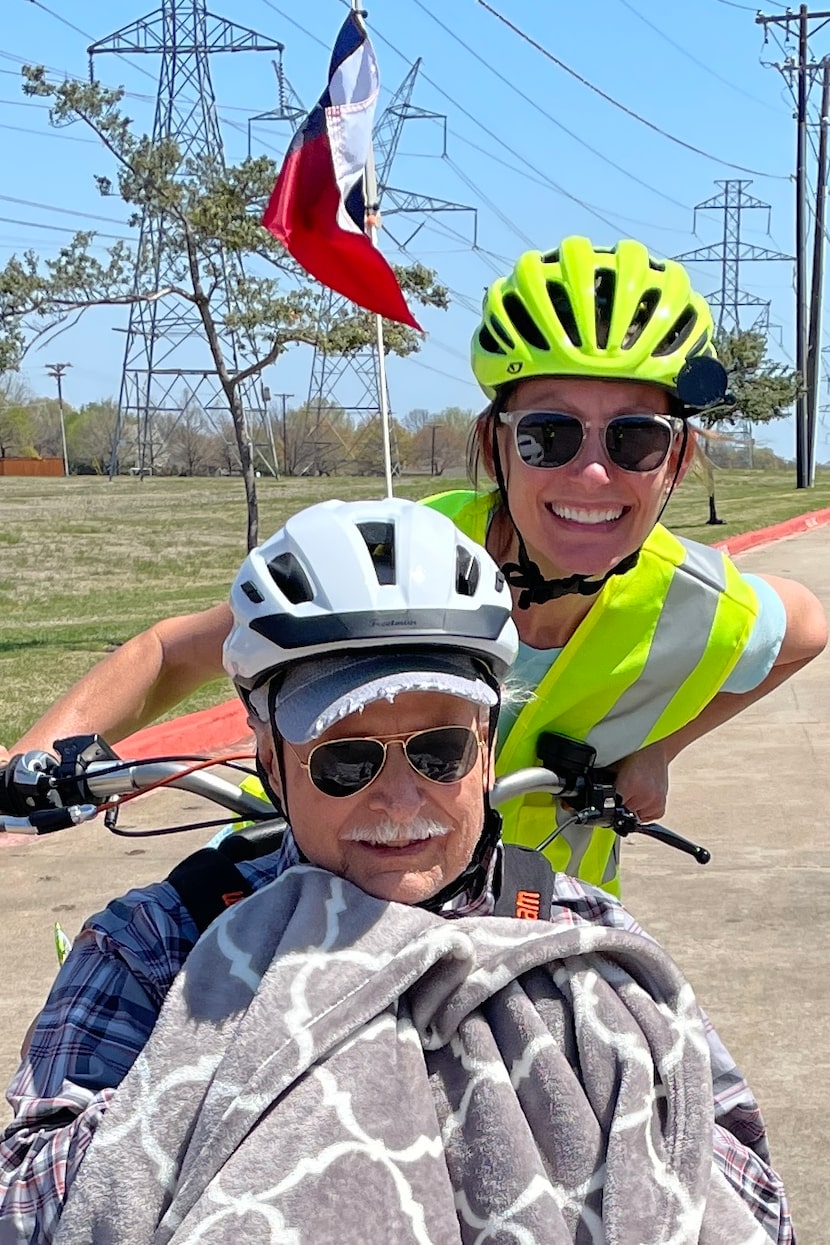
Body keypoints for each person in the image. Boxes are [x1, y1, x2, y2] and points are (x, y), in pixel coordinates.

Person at [0, 498, 791, 1243]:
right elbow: (26, 1204)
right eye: (346, 759)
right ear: (271, 758)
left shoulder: (579, 938)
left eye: (439, 751)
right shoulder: (156, 943)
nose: (401, 800)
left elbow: (749, 1198)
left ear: (485, 750)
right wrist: (261, 1041)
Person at [3, 237, 826, 895]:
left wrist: (660, 749)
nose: (594, 473)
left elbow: (806, 628)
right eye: (550, 434)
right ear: (495, 444)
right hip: (298, 890)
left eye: (635, 437)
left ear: (676, 460)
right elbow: (171, 652)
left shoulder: (694, 602)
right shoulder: (395, 550)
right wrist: (30, 768)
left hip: (530, 924)